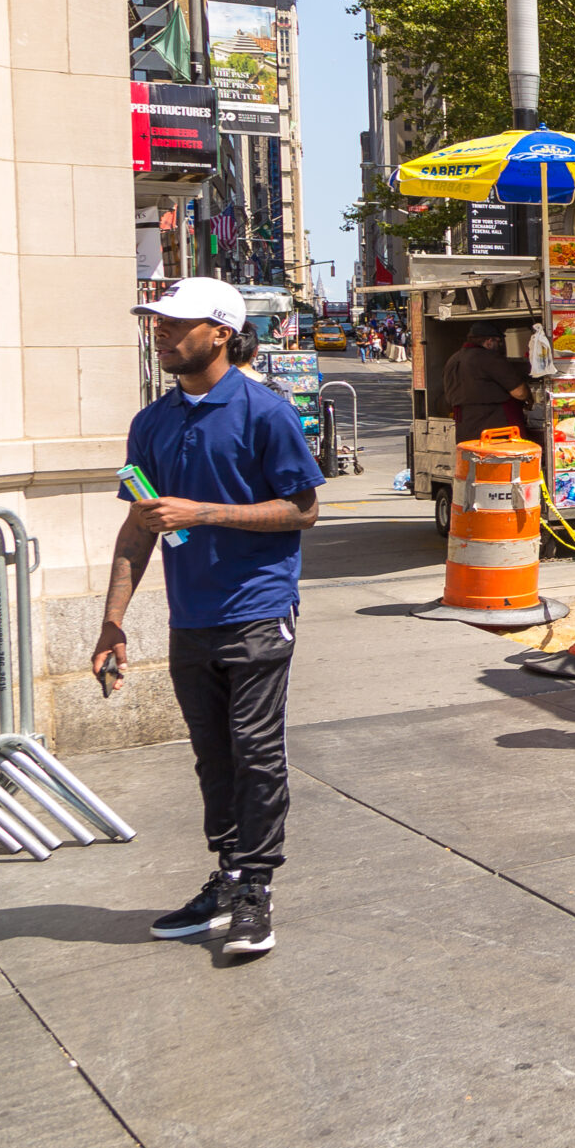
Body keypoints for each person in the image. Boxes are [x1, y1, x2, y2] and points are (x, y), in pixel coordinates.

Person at [95, 278, 324, 957]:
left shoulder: (264, 412)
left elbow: (304, 509)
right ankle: (227, 874)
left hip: (257, 607)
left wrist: (202, 512)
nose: (160, 333)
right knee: (213, 756)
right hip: (190, 616)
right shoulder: (152, 423)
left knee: (254, 749)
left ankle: (256, 886)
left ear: (220, 331)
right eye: (155, 324)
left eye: (174, 323)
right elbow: (138, 527)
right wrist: (113, 621)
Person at [442, 328, 533, 443]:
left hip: (465, 428)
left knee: (474, 458)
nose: (500, 346)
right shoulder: (489, 358)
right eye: (499, 342)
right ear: (489, 341)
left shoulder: (453, 359)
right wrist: (528, 395)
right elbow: (520, 393)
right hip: (495, 430)